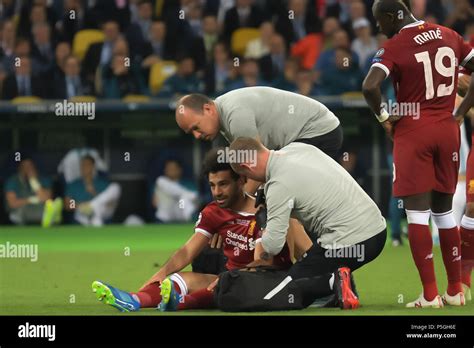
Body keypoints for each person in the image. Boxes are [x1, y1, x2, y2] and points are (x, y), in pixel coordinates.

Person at [91, 148, 312, 312]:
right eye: (212, 185)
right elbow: (188, 251)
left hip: (268, 281)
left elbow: (265, 260)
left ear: (242, 180)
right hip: (226, 280)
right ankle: (133, 300)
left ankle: (180, 304)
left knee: (227, 285)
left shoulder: (268, 210)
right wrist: (160, 274)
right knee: (179, 280)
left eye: (223, 184)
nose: (217, 192)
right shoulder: (214, 212)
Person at [362, 0, 474, 308]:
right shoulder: (449, 34)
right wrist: (461, 111)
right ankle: (455, 291)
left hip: (414, 132)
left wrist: (384, 119)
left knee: (417, 214)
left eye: (379, 21)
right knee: (445, 212)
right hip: (448, 129)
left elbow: (370, 86)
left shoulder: (396, 46)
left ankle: (429, 295)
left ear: (391, 15)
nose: (378, 28)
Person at [229, 137, 387, 309]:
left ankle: (333, 282)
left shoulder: (278, 185)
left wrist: (263, 221)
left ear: (247, 167)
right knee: (305, 269)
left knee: (276, 294)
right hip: (377, 230)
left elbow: (273, 245)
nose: (249, 181)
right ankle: (338, 288)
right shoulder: (299, 148)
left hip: (349, 240)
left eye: (245, 177)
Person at [64, 155, 121, 226]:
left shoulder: (102, 183)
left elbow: (109, 203)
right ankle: (91, 213)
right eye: (82, 165)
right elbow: (68, 204)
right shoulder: (74, 185)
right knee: (84, 213)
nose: (84, 168)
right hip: (81, 213)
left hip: (101, 212)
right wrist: (80, 205)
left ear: (93, 167)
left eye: (87, 165)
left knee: (115, 187)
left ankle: (92, 207)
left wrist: (94, 193)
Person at [5, 157, 62, 227]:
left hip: (40, 211)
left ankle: (51, 220)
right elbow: (12, 203)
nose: (27, 169)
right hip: (22, 212)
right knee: (17, 214)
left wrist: (33, 181)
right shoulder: (13, 181)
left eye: (30, 166)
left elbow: (46, 199)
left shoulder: (44, 179)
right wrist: (31, 200)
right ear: (20, 168)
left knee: (49, 208)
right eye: (25, 167)